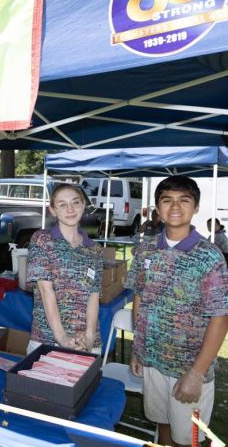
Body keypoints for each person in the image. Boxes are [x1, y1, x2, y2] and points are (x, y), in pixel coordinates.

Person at [126, 176, 228, 447]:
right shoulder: (146, 248)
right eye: (167, 200)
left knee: (192, 438)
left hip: (189, 367)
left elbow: (220, 317)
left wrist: (196, 373)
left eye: (184, 200)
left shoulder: (209, 256)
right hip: (152, 362)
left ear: (196, 208)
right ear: (158, 208)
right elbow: (140, 298)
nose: (175, 207)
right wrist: (138, 349)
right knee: (164, 424)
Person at [26, 183, 103, 354]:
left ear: (83, 205)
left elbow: (94, 295)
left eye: (75, 202)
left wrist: (90, 337)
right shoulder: (42, 240)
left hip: (87, 343)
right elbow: (47, 291)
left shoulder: (94, 250)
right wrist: (61, 337)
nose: (70, 209)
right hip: (47, 340)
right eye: (62, 204)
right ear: (53, 210)